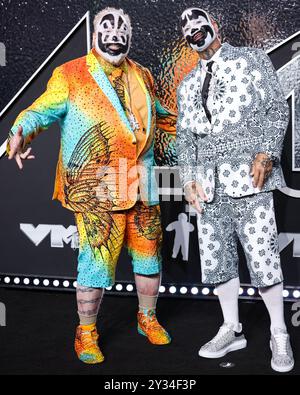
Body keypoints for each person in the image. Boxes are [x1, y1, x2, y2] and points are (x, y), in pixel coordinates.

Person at [7, 7, 176, 365]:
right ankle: (86, 333)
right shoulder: (70, 74)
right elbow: (40, 112)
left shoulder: (143, 74)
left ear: (129, 36)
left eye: (121, 30)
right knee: (95, 265)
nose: (115, 35)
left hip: (143, 183)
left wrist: (203, 126)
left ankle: (147, 318)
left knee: (149, 257)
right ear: (95, 35)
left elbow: (159, 114)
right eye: (107, 28)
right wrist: (19, 131)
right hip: (97, 189)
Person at [176, 7, 294, 373]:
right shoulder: (186, 84)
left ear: (215, 26)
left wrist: (267, 153)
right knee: (217, 261)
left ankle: (279, 333)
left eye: (199, 22)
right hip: (209, 189)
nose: (194, 29)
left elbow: (277, 109)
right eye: (187, 27)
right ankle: (232, 328)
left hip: (251, 180)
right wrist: (188, 179)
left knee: (263, 260)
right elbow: (184, 137)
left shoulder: (252, 60)